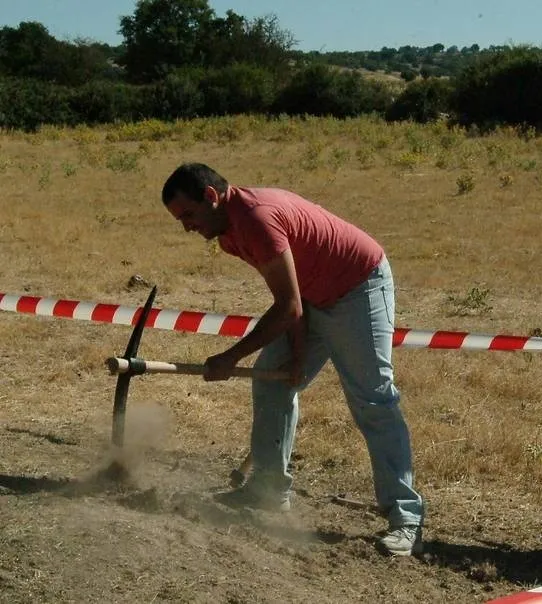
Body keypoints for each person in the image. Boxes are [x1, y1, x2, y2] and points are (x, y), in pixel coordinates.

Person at [160, 163, 425, 557]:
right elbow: (293, 300)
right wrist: (296, 357)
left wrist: (230, 358)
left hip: (359, 288)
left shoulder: (255, 220)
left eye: (188, 215)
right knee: (274, 379)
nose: (186, 227)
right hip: (313, 296)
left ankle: (406, 519)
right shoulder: (228, 234)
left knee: (373, 399)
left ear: (211, 197)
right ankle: (268, 490)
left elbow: (288, 307)